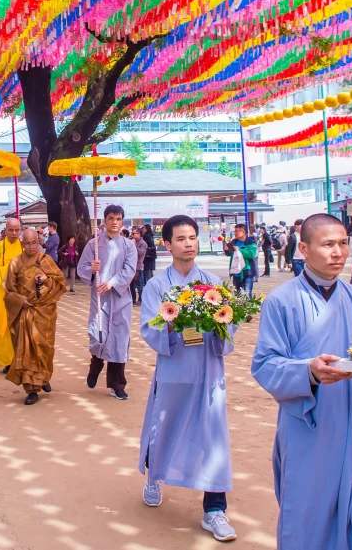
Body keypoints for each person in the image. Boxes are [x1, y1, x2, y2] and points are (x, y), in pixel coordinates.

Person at [251, 213, 352, 550]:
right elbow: (266, 365)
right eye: (327, 245)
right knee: (308, 529)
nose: (338, 252)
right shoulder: (282, 301)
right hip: (310, 432)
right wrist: (308, 371)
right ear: (305, 250)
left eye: (342, 243)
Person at [138, 215, 238, 542]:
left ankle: (214, 510)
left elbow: (229, 325)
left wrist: (219, 325)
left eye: (192, 237)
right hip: (174, 371)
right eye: (181, 238)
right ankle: (154, 477)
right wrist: (172, 323)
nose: (189, 243)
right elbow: (149, 328)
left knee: (213, 439)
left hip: (209, 372)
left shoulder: (212, 282)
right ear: (167, 244)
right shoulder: (156, 285)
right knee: (163, 426)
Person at [78, 204, 138, 400]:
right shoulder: (93, 245)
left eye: (118, 218)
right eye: (111, 218)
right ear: (104, 221)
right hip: (100, 299)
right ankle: (96, 364)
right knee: (99, 336)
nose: (114, 222)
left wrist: (112, 283)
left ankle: (117, 384)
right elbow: (82, 268)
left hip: (120, 299)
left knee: (120, 340)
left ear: (122, 221)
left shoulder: (129, 246)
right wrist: (92, 269)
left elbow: (129, 270)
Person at [3, 228, 67, 405]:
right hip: (24, 312)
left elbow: (61, 283)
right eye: (27, 243)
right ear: (22, 244)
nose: (31, 246)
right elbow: (8, 290)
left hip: (44, 312)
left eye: (34, 243)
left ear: (39, 242)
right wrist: (20, 300)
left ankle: (43, 376)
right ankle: (31, 389)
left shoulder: (46, 261)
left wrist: (46, 279)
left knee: (43, 347)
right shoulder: (15, 263)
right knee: (25, 350)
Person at [0, 215, 23, 370]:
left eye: (16, 230)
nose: (14, 233)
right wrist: (6, 270)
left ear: (20, 230)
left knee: (21, 328)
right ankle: (7, 361)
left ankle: (20, 359)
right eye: (11, 230)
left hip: (21, 296)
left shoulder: (24, 247)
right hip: (2, 295)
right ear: (5, 231)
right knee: (4, 328)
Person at [223, 223, 256, 295]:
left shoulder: (250, 242)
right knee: (237, 296)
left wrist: (239, 250)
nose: (235, 233)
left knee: (246, 295)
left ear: (243, 232)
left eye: (237, 231)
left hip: (247, 272)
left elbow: (251, 255)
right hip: (236, 273)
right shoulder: (234, 242)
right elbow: (229, 254)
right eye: (234, 231)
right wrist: (226, 250)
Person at [130, 226, 148, 305]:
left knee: (139, 285)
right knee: (131, 285)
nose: (133, 235)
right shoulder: (133, 241)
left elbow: (140, 253)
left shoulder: (142, 243)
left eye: (135, 233)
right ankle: (133, 299)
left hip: (138, 267)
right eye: (132, 233)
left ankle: (141, 299)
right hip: (132, 266)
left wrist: (135, 245)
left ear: (140, 234)